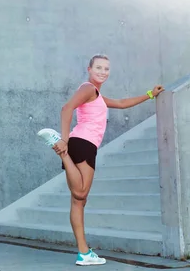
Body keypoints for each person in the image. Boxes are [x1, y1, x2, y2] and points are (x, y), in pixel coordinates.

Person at [38, 54, 164, 266]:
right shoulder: (88, 88)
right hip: (82, 143)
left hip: (82, 143)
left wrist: (150, 94)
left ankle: (83, 253)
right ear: (89, 69)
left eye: (106, 68)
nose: (103, 72)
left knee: (78, 201)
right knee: (81, 192)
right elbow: (66, 108)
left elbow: (123, 103)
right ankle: (60, 150)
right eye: (98, 67)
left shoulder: (96, 96)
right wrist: (64, 140)